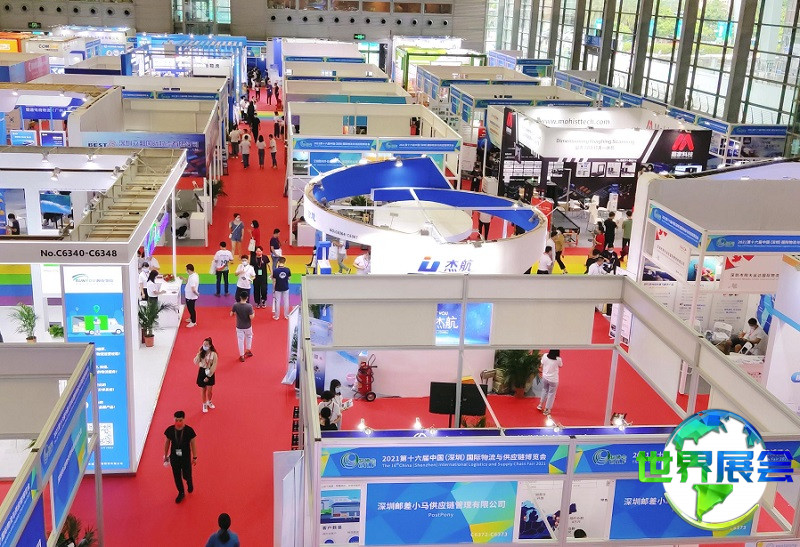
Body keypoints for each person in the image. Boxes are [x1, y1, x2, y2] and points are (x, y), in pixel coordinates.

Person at [163, 410, 197, 504]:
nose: (178, 422)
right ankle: (181, 492)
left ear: (184, 419)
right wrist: (165, 455)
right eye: (176, 420)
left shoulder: (189, 431)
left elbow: (193, 444)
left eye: (180, 420)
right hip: (174, 457)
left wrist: (195, 457)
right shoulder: (170, 430)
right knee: (177, 476)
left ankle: (189, 481)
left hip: (185, 458)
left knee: (186, 475)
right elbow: (167, 443)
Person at [194, 337, 218, 412]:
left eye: (206, 344)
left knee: (209, 391)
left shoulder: (214, 354)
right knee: (203, 390)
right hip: (202, 371)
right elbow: (195, 362)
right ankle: (204, 404)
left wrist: (208, 376)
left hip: (210, 372)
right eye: (203, 344)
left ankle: (209, 401)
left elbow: (214, 365)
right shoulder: (201, 353)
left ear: (210, 345)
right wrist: (199, 353)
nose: (204, 346)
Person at [230, 291, 255, 362]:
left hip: (239, 326)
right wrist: (253, 313)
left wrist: (235, 313)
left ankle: (242, 355)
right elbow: (251, 317)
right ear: (247, 298)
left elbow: (231, 314)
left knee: (240, 340)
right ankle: (248, 350)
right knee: (249, 337)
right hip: (248, 326)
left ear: (240, 297)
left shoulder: (236, 305)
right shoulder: (249, 306)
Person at [538, 349, 562, 416]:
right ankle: (547, 409)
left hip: (545, 377)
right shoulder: (558, 359)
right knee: (551, 394)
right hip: (553, 380)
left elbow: (541, 365)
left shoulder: (545, 355)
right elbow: (561, 365)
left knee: (544, 390)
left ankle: (540, 405)